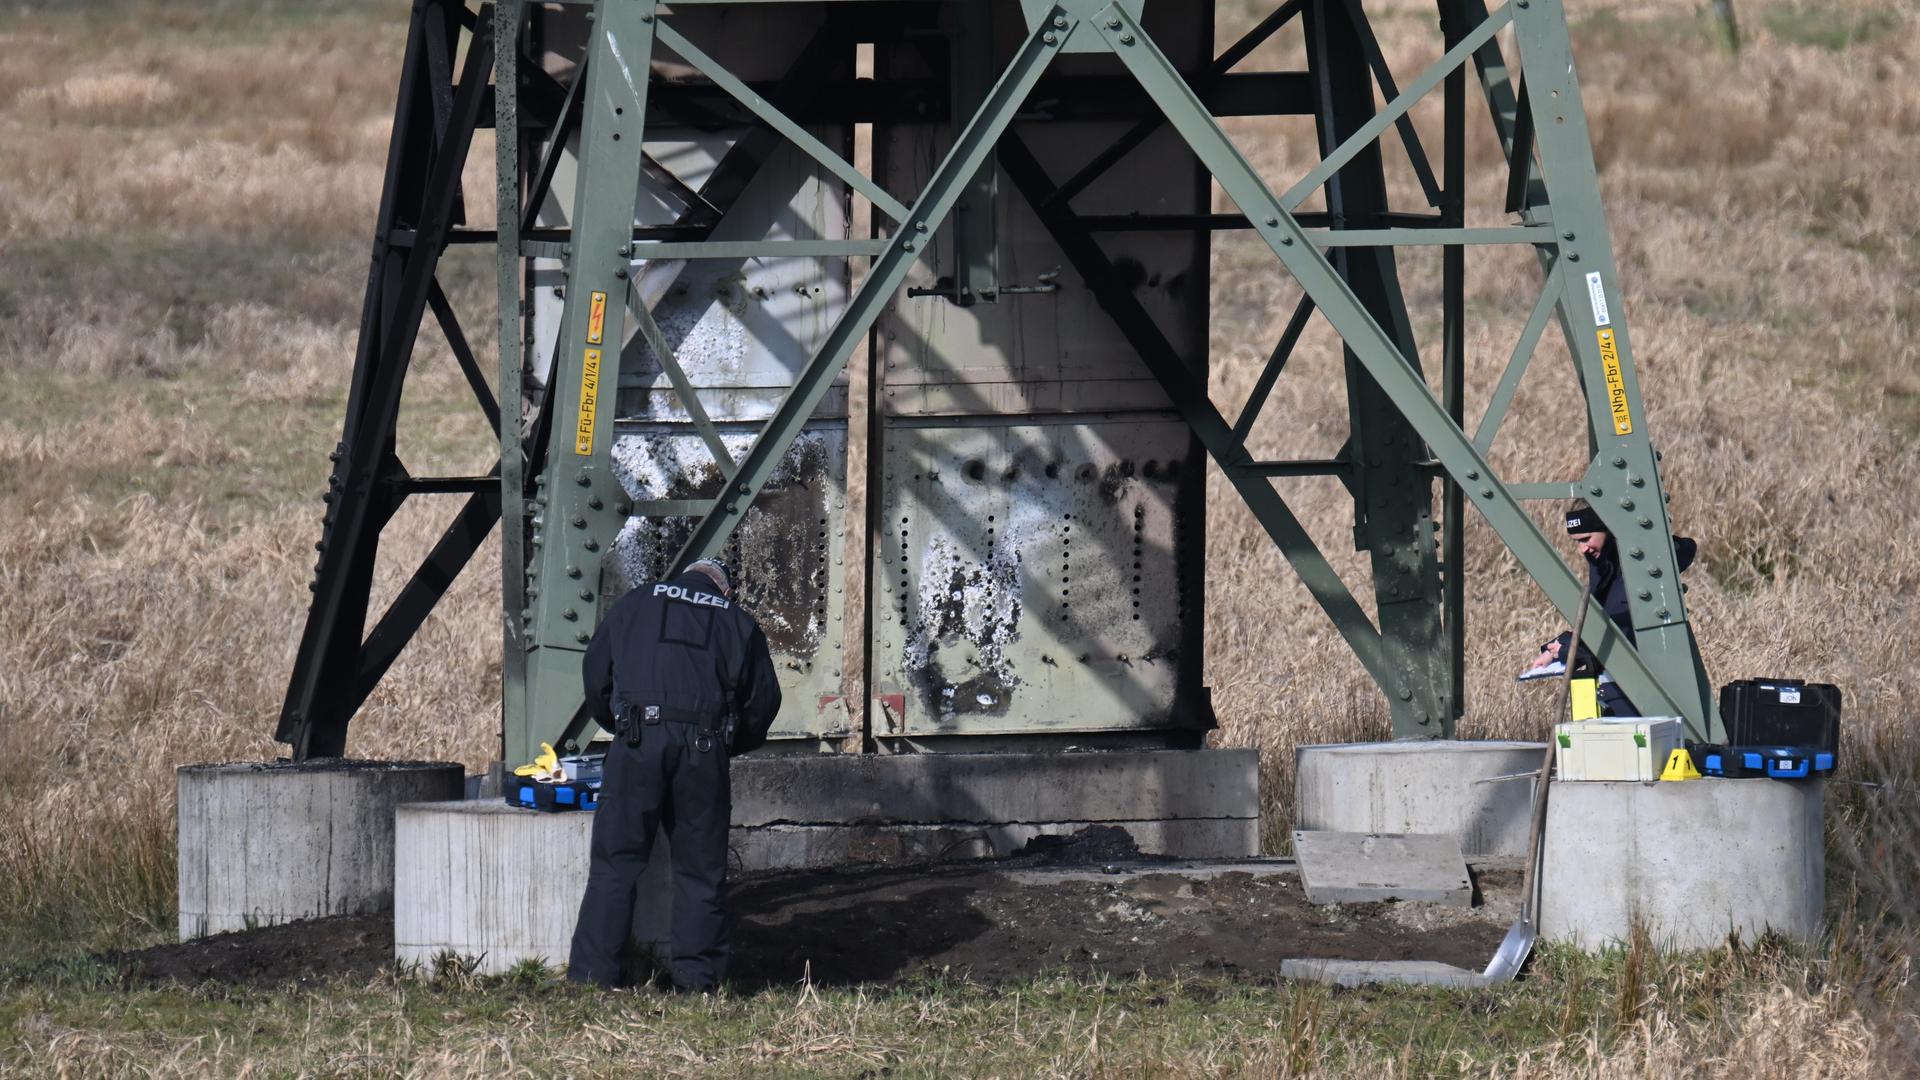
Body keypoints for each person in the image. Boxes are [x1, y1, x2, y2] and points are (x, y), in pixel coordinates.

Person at [568, 557, 781, 992]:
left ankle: (593, 980)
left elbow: (595, 674)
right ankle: (698, 983)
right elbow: (762, 704)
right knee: (699, 871)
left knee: (615, 864)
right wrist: (728, 743)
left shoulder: (636, 603)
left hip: (636, 740)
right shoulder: (737, 621)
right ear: (724, 590)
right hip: (703, 749)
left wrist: (618, 724)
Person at [1522, 502, 1697, 717]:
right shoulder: (1604, 565)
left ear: (1608, 527)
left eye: (1586, 539)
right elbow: (1603, 622)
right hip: (1622, 687)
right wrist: (1556, 650)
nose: (1582, 549)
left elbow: (1617, 634)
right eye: (1577, 542)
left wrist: (1568, 650)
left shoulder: (1633, 567)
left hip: (1646, 690)